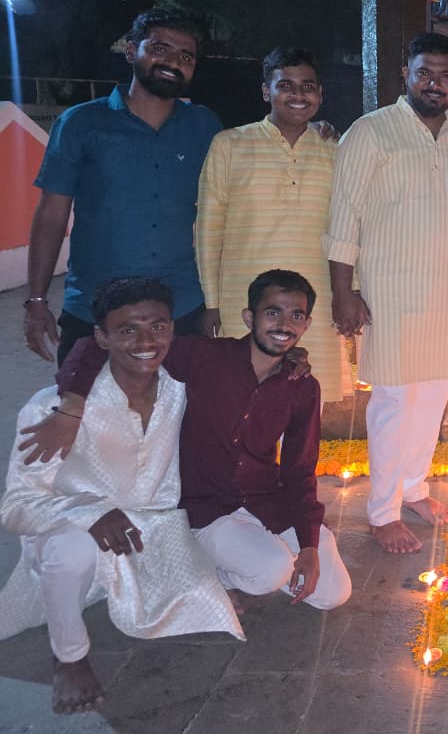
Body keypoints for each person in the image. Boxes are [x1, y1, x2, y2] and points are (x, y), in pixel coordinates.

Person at [0, 278, 243, 715]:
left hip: (152, 533)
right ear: (101, 338)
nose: (146, 342)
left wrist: (289, 362)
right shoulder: (52, 410)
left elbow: (247, 365)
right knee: (70, 550)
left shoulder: (182, 392)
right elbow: (15, 508)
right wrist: (91, 513)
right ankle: (68, 658)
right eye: (128, 330)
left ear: (173, 330)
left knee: (212, 607)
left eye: (157, 327)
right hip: (72, 532)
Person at [52, 270, 351, 612]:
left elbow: (300, 470)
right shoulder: (204, 356)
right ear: (249, 317)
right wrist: (71, 403)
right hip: (206, 508)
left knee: (332, 594)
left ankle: (246, 557)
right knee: (272, 570)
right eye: (273, 312)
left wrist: (308, 542)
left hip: (266, 499)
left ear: (307, 324)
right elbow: (95, 344)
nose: (284, 325)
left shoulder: (302, 386)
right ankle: (199, 572)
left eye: (296, 316)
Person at [325, 32, 448, 554]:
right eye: (425, 73)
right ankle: (382, 512)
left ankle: (415, 487)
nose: (435, 84)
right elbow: (344, 214)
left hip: (445, 287)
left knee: (435, 392)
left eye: (446, 76)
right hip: (389, 288)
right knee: (395, 400)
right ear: (407, 74)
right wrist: (343, 291)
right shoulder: (371, 132)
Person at [24, 10, 222, 365]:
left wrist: (314, 130)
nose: (173, 62)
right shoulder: (82, 123)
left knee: (185, 401)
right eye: (160, 49)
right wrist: (37, 301)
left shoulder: (204, 126)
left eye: (186, 56)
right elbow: (52, 215)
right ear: (131, 51)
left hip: (182, 307)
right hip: (96, 308)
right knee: (84, 400)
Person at [196, 47, 347, 402]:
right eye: (285, 86)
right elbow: (207, 229)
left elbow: (348, 226)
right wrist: (211, 303)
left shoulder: (336, 150)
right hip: (243, 300)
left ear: (320, 93)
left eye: (307, 87)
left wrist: (348, 292)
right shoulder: (230, 145)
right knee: (241, 402)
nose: (298, 95)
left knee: (307, 404)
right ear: (266, 91)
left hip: (314, 303)